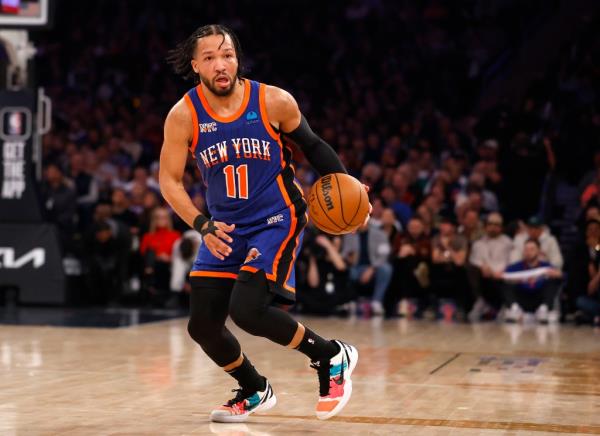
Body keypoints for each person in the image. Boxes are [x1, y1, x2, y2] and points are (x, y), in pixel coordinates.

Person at [159, 25, 369, 422]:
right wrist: (202, 224)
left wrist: (351, 188)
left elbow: (314, 147)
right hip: (223, 227)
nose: (220, 65)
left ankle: (330, 356)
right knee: (203, 326)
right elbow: (168, 181)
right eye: (209, 58)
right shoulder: (184, 114)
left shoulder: (273, 100)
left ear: (238, 58)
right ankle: (255, 388)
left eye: (227, 55)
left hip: (277, 218)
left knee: (248, 310)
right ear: (195, 66)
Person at [501, 239, 563, 323]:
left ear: (539, 251)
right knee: (506, 283)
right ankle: (515, 309)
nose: (528, 252)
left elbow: (562, 276)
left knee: (552, 281)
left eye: (532, 249)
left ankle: (544, 309)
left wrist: (558, 274)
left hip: (539, 299)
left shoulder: (546, 266)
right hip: (522, 299)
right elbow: (503, 276)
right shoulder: (515, 267)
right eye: (526, 249)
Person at [467, 212, 512, 321]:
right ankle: (481, 302)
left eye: (496, 225)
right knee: (471, 269)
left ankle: (505, 306)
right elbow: (474, 260)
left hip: (502, 275)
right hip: (484, 276)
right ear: (486, 226)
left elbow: (512, 262)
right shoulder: (478, 243)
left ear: (501, 227)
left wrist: (500, 271)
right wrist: (483, 266)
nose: (493, 227)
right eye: (490, 224)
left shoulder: (508, 243)